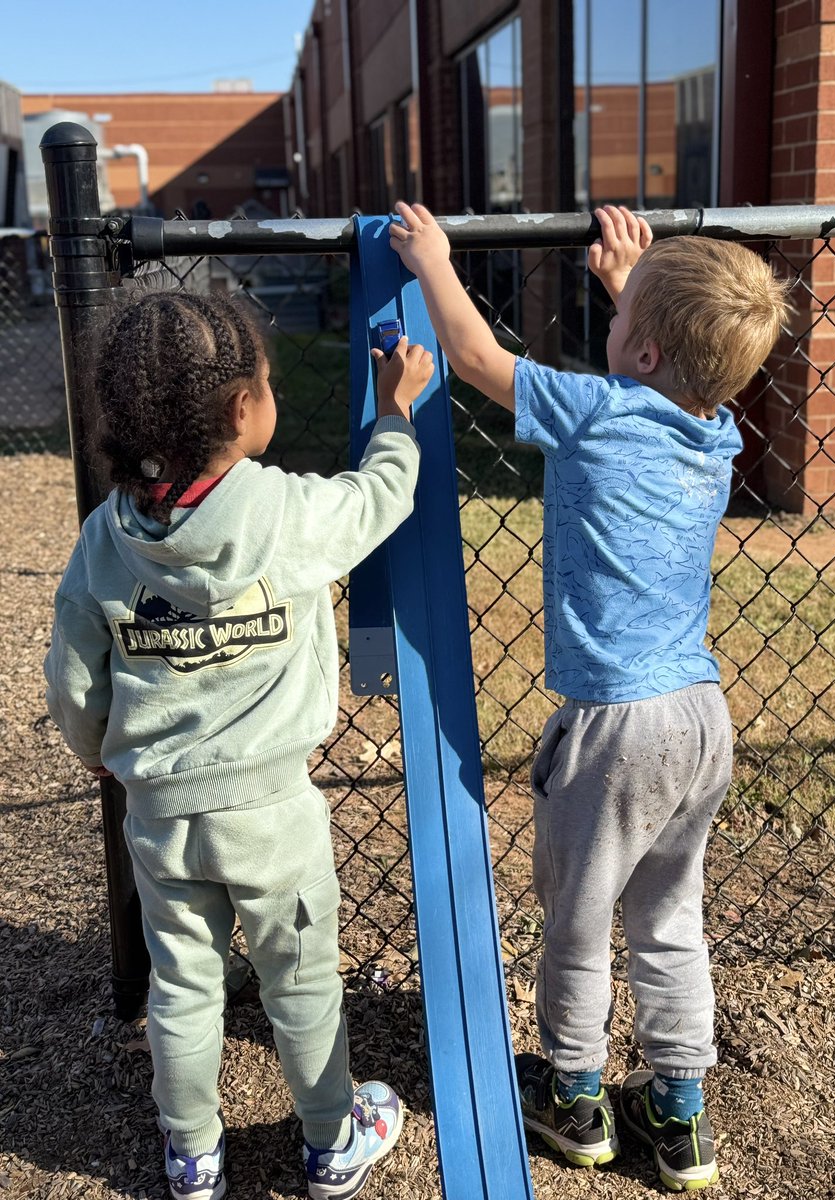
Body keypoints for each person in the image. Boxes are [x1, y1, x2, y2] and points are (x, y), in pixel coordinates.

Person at [388, 201, 791, 1191]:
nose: (606, 328)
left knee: (575, 921)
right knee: (668, 921)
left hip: (612, 724)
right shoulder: (717, 436)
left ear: (643, 354)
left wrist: (434, 261)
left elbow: (481, 360)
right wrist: (635, 293)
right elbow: (673, 373)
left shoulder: (600, 411)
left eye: (619, 322)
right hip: (700, 718)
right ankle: (679, 1115)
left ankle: (573, 1099)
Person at [44, 289, 434, 1200]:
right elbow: (380, 498)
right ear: (239, 410)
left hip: (160, 814)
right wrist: (394, 411)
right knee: (301, 981)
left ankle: (192, 1156)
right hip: (273, 817)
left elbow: (72, 678)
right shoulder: (280, 514)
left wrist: (98, 746)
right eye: (263, 381)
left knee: (182, 988)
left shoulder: (106, 538)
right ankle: (334, 1142)